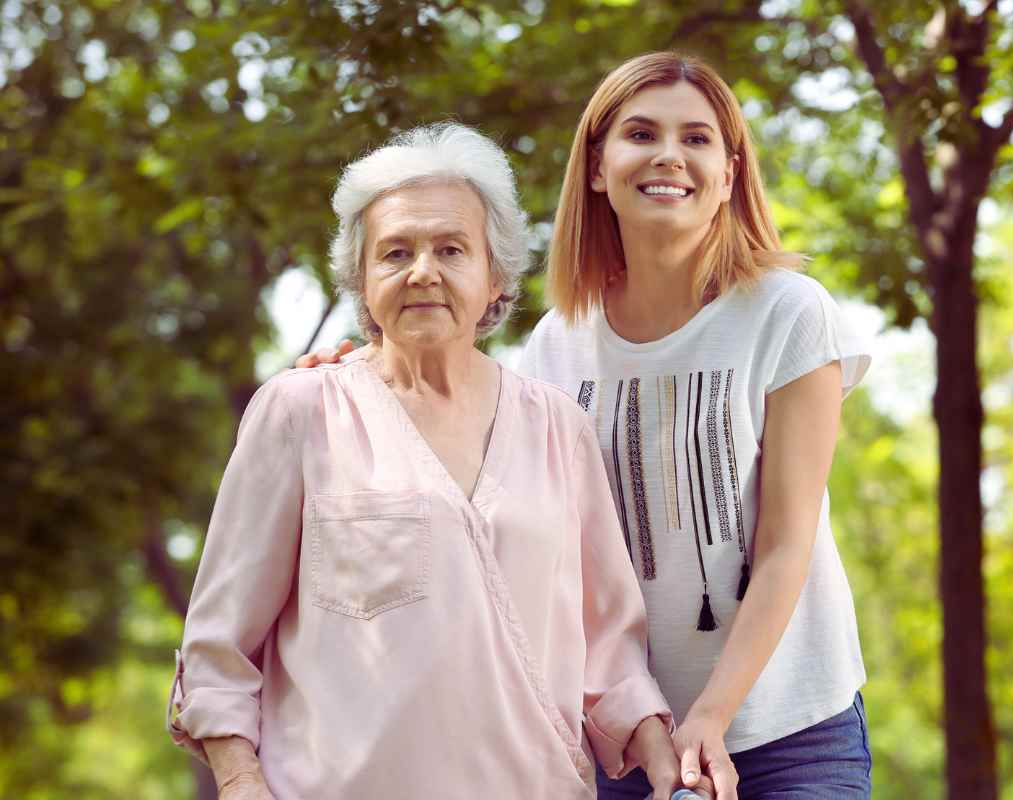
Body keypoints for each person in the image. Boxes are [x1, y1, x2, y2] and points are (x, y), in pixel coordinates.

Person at [303, 51, 874, 800]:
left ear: (729, 176)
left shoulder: (789, 314)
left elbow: (785, 548)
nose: (669, 155)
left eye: (697, 139)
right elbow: (473, 466)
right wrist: (363, 376)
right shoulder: (556, 345)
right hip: (621, 739)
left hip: (792, 728)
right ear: (599, 166)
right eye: (641, 133)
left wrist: (710, 717)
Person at [168, 122, 703, 800]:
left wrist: (662, 758)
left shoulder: (557, 428)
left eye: (452, 248)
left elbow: (610, 647)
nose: (424, 271)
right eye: (396, 253)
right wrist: (241, 781)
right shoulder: (302, 413)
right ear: (361, 279)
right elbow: (219, 647)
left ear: (495, 275)